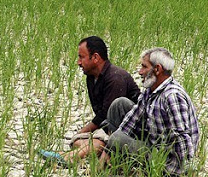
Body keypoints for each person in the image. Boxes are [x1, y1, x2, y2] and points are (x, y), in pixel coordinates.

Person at [39, 36, 140, 164]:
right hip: (108, 127)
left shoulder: (115, 78)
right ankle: (82, 152)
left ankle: (68, 158)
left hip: (127, 130)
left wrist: (84, 130)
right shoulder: (92, 77)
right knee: (78, 141)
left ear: (96, 57)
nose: (78, 62)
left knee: (98, 141)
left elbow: (107, 115)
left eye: (82, 57)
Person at [99, 47, 199, 175]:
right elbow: (131, 120)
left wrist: (188, 170)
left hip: (165, 158)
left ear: (157, 69)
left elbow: (182, 136)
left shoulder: (172, 96)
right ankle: (114, 157)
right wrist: (108, 150)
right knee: (119, 105)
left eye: (144, 67)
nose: (140, 72)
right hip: (153, 140)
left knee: (116, 139)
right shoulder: (151, 90)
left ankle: (120, 158)